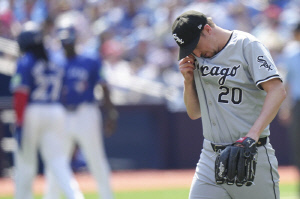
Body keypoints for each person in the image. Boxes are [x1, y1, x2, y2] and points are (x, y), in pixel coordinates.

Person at [172, 10, 286, 199]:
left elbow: (277, 90)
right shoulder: (197, 58)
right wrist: (188, 81)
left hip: (251, 155)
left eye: (195, 45)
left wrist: (253, 135)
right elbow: (194, 113)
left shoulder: (246, 45)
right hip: (210, 157)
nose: (195, 53)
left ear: (207, 30)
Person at [10, 21, 84, 199]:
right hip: (56, 110)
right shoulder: (56, 60)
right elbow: (65, 91)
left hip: (33, 111)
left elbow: (21, 95)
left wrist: (19, 121)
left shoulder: (26, 61)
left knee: (26, 164)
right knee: (58, 162)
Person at [44, 24, 118, 199]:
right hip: (61, 115)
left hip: (86, 112)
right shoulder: (55, 61)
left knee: (96, 159)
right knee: (56, 161)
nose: (66, 45)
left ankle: (107, 196)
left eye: (68, 41)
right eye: (63, 41)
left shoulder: (90, 59)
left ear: (75, 40)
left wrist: (111, 114)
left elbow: (104, 86)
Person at [279, 22, 300, 196]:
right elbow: (287, 82)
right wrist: (285, 108)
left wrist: (285, 108)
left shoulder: (291, 53)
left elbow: (286, 83)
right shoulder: (291, 53)